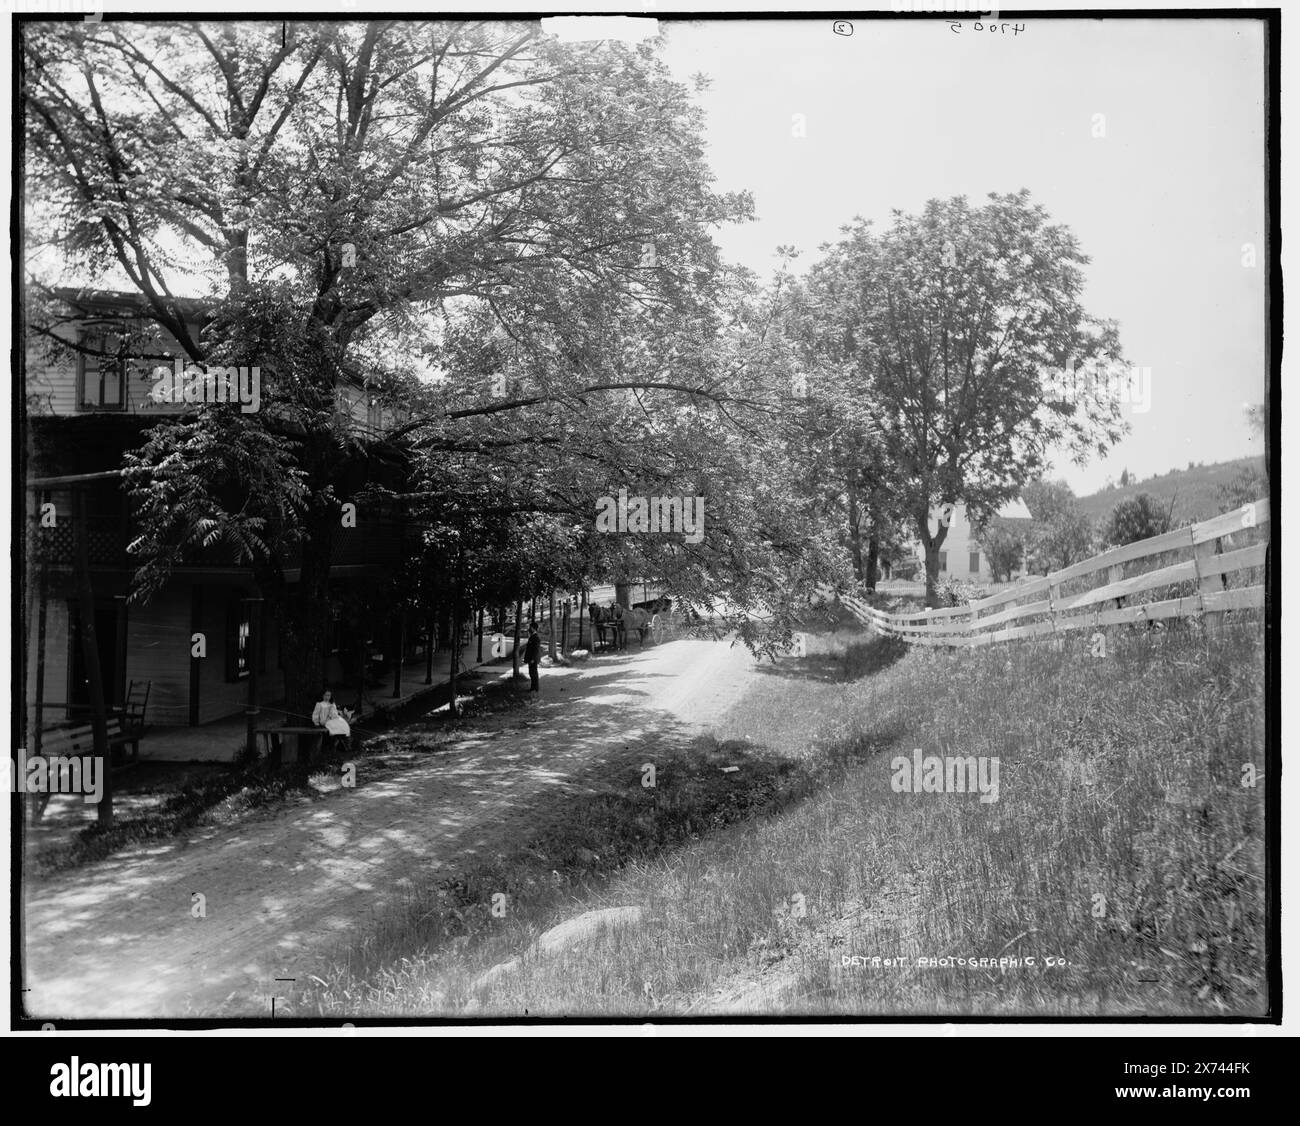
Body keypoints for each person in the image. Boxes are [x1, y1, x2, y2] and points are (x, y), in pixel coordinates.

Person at [312, 688, 354, 752]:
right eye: (326, 695)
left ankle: (347, 744)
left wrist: (333, 712)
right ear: (322, 696)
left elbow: (334, 714)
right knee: (334, 726)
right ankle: (334, 745)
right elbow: (315, 714)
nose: (327, 697)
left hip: (333, 719)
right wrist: (316, 723)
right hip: (325, 720)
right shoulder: (319, 704)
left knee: (344, 724)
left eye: (329, 695)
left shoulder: (332, 704)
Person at [524, 623, 542, 693]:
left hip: (533, 659)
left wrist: (532, 659)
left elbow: (535, 650)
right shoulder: (532, 636)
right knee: (531, 673)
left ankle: (535, 688)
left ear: (533, 628)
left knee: (533, 673)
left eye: (530, 627)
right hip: (531, 659)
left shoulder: (536, 637)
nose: (529, 629)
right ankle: (533, 687)